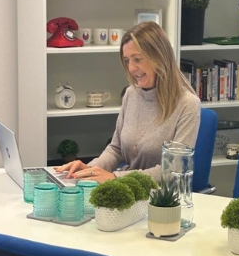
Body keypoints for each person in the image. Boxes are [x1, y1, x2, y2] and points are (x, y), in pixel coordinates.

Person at [55, 21, 201, 183]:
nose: (131, 68)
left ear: (159, 58)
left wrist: (115, 177)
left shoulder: (188, 104)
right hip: (127, 190)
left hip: (161, 199)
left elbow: (173, 170)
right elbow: (115, 149)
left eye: (137, 59)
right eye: (127, 61)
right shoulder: (131, 94)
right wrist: (89, 169)